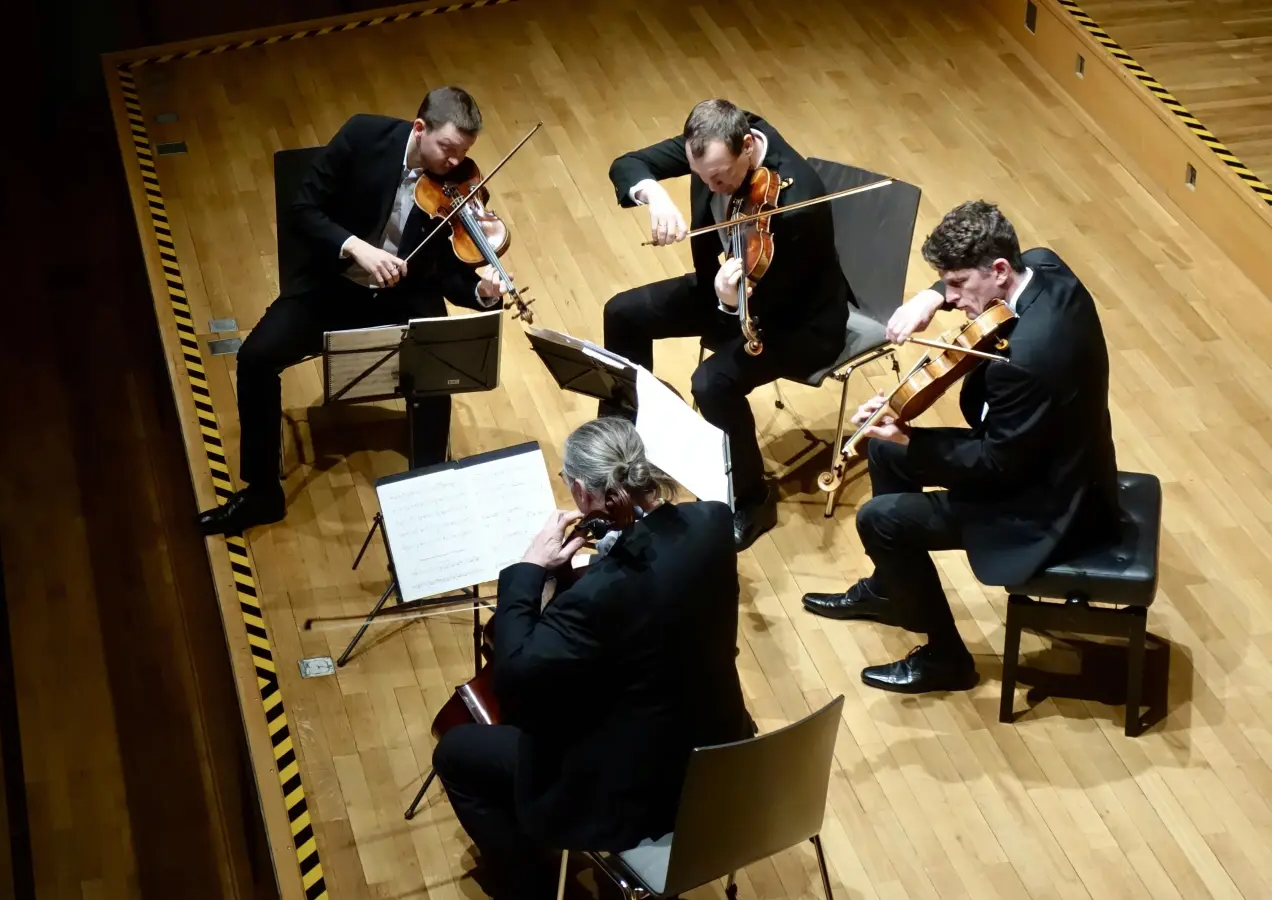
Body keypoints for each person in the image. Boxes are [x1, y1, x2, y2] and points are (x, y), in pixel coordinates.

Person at [801, 200, 1120, 693]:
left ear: (998, 270)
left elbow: (997, 465)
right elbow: (1003, 445)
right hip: (1044, 450)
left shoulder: (1029, 359)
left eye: (957, 286)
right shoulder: (1045, 266)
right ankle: (893, 588)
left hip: (1047, 501)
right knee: (885, 452)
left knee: (879, 520)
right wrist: (930, 298)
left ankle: (947, 660)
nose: (954, 299)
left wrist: (910, 437)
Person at [434, 417, 754, 899]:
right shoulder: (711, 523)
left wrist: (530, 569)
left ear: (582, 491)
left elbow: (515, 682)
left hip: (637, 793)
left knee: (457, 753)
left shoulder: (599, 599)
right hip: (720, 757)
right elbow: (648, 607)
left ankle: (536, 886)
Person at [198, 86, 509, 535]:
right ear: (419, 129)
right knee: (255, 359)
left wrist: (482, 291)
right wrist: (356, 247)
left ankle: (425, 494)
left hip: (403, 295)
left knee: (438, 363)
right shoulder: (364, 136)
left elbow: (445, 273)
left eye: (464, 153)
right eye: (448, 149)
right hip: (334, 287)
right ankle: (263, 493)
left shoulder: (454, 186)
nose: (456, 164)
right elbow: (302, 209)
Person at [602, 99, 852, 551]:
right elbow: (628, 164)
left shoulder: (798, 208)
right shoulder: (713, 143)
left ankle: (754, 498)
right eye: (701, 177)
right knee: (622, 314)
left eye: (720, 177)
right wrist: (654, 193)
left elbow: (765, 312)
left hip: (797, 322)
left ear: (748, 148)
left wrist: (724, 304)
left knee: (712, 382)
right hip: (729, 285)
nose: (711, 185)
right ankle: (624, 446)